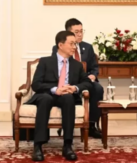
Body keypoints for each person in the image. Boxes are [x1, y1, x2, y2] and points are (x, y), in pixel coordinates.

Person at [26, 31, 92, 161]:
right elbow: (36, 84)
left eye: (75, 44)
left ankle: (67, 145)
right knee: (45, 99)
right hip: (47, 93)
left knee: (68, 98)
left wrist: (75, 88)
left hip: (66, 95)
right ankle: (38, 146)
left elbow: (87, 83)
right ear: (60, 45)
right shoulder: (45, 62)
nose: (74, 47)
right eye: (71, 43)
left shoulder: (77, 65)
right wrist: (55, 89)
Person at [52, 18, 103, 139]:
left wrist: (93, 75)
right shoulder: (58, 47)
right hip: (67, 80)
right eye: (76, 32)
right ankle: (64, 123)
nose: (80, 34)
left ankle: (91, 125)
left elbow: (95, 67)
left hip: (85, 80)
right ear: (68, 33)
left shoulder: (88, 47)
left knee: (98, 88)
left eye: (81, 31)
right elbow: (55, 66)